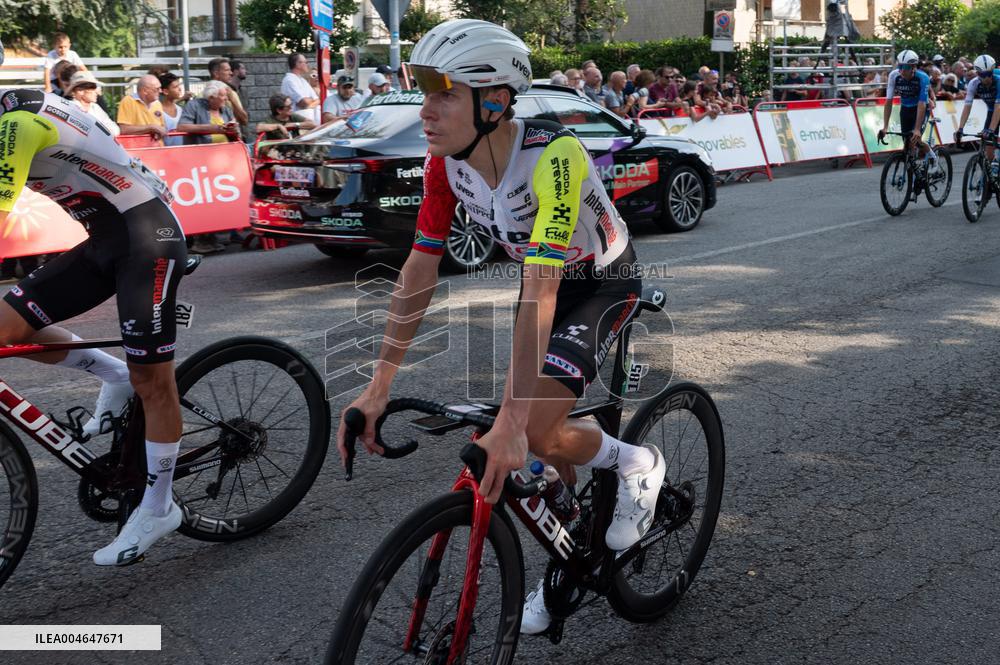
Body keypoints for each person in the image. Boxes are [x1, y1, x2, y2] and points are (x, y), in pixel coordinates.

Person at [336, 18, 665, 638]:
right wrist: (377, 386)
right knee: (530, 436)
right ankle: (571, 555)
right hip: (541, 282)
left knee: (532, 428)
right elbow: (418, 272)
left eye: (442, 92)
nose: (425, 108)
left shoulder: (554, 157)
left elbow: (543, 293)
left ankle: (636, 462)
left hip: (599, 284)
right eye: (420, 88)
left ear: (494, 101)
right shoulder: (445, 165)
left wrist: (515, 425)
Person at [0, 87, 187, 565]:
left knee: (153, 380)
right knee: (6, 328)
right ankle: (113, 373)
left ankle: (159, 507)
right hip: (105, 241)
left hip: (150, 239)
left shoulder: (17, 125)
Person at [879, 50, 932, 174]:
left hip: (920, 109)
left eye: (906, 67)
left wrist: (917, 129)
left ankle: (932, 157)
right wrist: (885, 127)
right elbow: (888, 101)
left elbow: (922, 104)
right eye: (900, 66)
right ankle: (912, 173)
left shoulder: (922, 78)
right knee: (907, 145)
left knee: (916, 140)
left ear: (913, 67)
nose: (902, 70)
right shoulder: (894, 75)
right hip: (905, 109)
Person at [957, 55, 1000, 163]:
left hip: (997, 108)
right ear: (977, 73)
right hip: (992, 111)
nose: (986, 78)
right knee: (989, 150)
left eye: (989, 74)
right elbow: (967, 107)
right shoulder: (974, 83)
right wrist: (960, 128)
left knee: (990, 133)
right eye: (983, 75)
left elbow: (998, 107)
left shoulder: (998, 81)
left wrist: (991, 130)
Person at [117, 74, 167, 143]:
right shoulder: (128, 101)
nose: (160, 91)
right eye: (157, 89)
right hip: (138, 150)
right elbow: (123, 129)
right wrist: (151, 127)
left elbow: (162, 127)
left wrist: (160, 130)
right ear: (145, 91)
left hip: (157, 148)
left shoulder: (157, 103)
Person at [65, 71, 118, 136]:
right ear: (79, 91)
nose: (96, 91)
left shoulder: (95, 107)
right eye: (93, 87)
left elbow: (115, 129)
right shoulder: (69, 108)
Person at [281, 53, 320, 124]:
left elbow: (317, 100)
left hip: (308, 121)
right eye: (305, 62)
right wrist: (311, 101)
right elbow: (304, 102)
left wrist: (309, 102)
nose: (307, 65)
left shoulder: (303, 80)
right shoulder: (290, 80)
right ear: (297, 64)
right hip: (298, 123)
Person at [158, 72, 186, 146]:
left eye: (179, 86)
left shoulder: (181, 110)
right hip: (165, 154)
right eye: (175, 87)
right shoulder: (158, 112)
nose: (180, 89)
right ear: (165, 91)